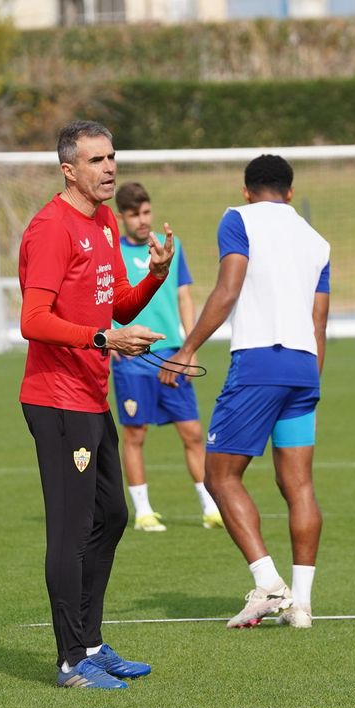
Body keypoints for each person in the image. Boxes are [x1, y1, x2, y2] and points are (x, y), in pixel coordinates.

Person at [18, 120, 170, 689]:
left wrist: (155, 277)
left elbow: (118, 306)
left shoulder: (104, 220)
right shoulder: (50, 229)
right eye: (96, 160)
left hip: (90, 395)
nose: (109, 168)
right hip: (56, 402)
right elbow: (33, 321)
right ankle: (69, 660)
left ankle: (91, 642)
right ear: (69, 170)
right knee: (72, 529)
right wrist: (104, 339)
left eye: (112, 157)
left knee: (112, 516)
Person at [167, 154, 329, 630]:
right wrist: (311, 382)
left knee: (219, 476)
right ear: (290, 192)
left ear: (246, 190)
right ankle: (302, 606)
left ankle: (268, 584)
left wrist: (187, 348)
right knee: (299, 486)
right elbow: (319, 320)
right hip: (305, 368)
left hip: (260, 363)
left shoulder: (237, 218)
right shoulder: (316, 240)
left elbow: (228, 288)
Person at [109, 182, 224, 532]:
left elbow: (184, 297)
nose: (143, 220)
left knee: (192, 432)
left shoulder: (171, 246)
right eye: (134, 214)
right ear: (121, 217)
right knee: (135, 434)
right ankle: (143, 511)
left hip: (172, 354)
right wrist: (111, 340)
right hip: (131, 357)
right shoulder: (111, 251)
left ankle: (211, 507)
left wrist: (190, 350)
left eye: (146, 212)